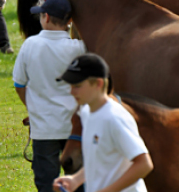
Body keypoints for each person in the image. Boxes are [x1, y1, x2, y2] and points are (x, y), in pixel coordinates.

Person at [13, 0, 86, 192]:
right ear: (69, 22)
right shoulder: (78, 48)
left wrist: (32, 107)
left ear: (45, 17)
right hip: (74, 126)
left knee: (46, 182)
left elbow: (19, 84)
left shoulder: (30, 45)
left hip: (43, 126)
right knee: (78, 182)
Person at [53, 53, 154, 192]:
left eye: (77, 85)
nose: (71, 91)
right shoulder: (86, 112)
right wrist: (76, 179)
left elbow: (144, 164)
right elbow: (98, 160)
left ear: (98, 84)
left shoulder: (115, 118)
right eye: (70, 86)